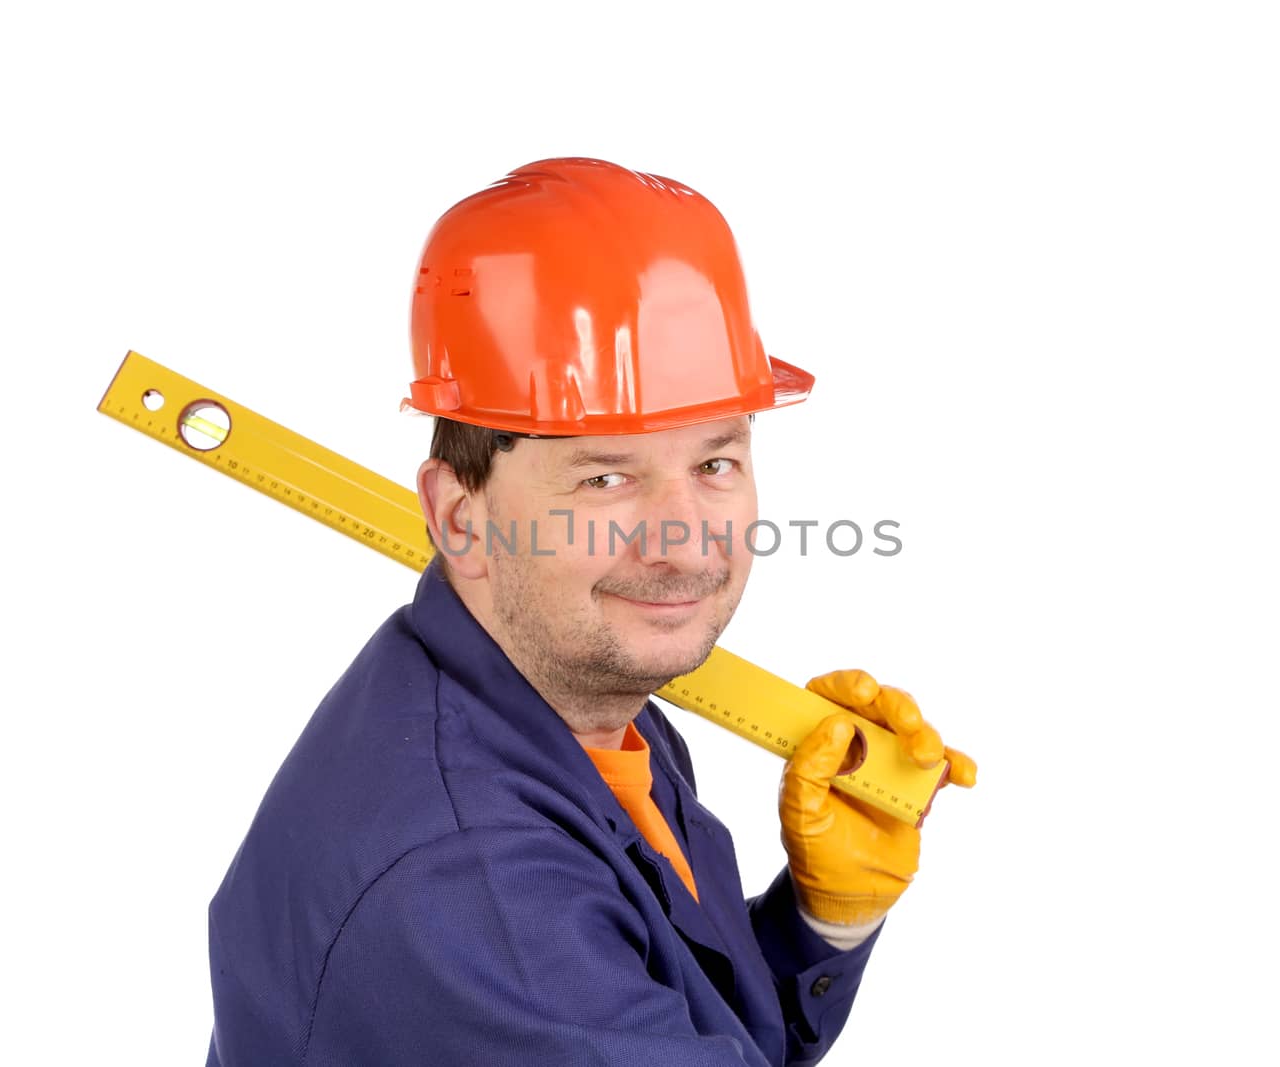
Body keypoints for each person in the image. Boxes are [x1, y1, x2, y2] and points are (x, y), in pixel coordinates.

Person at [205, 157, 975, 1066]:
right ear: (462, 516)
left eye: (715, 464)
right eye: (606, 477)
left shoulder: (576, 699)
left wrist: (824, 923)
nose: (687, 542)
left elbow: (678, 1011)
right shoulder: (477, 882)